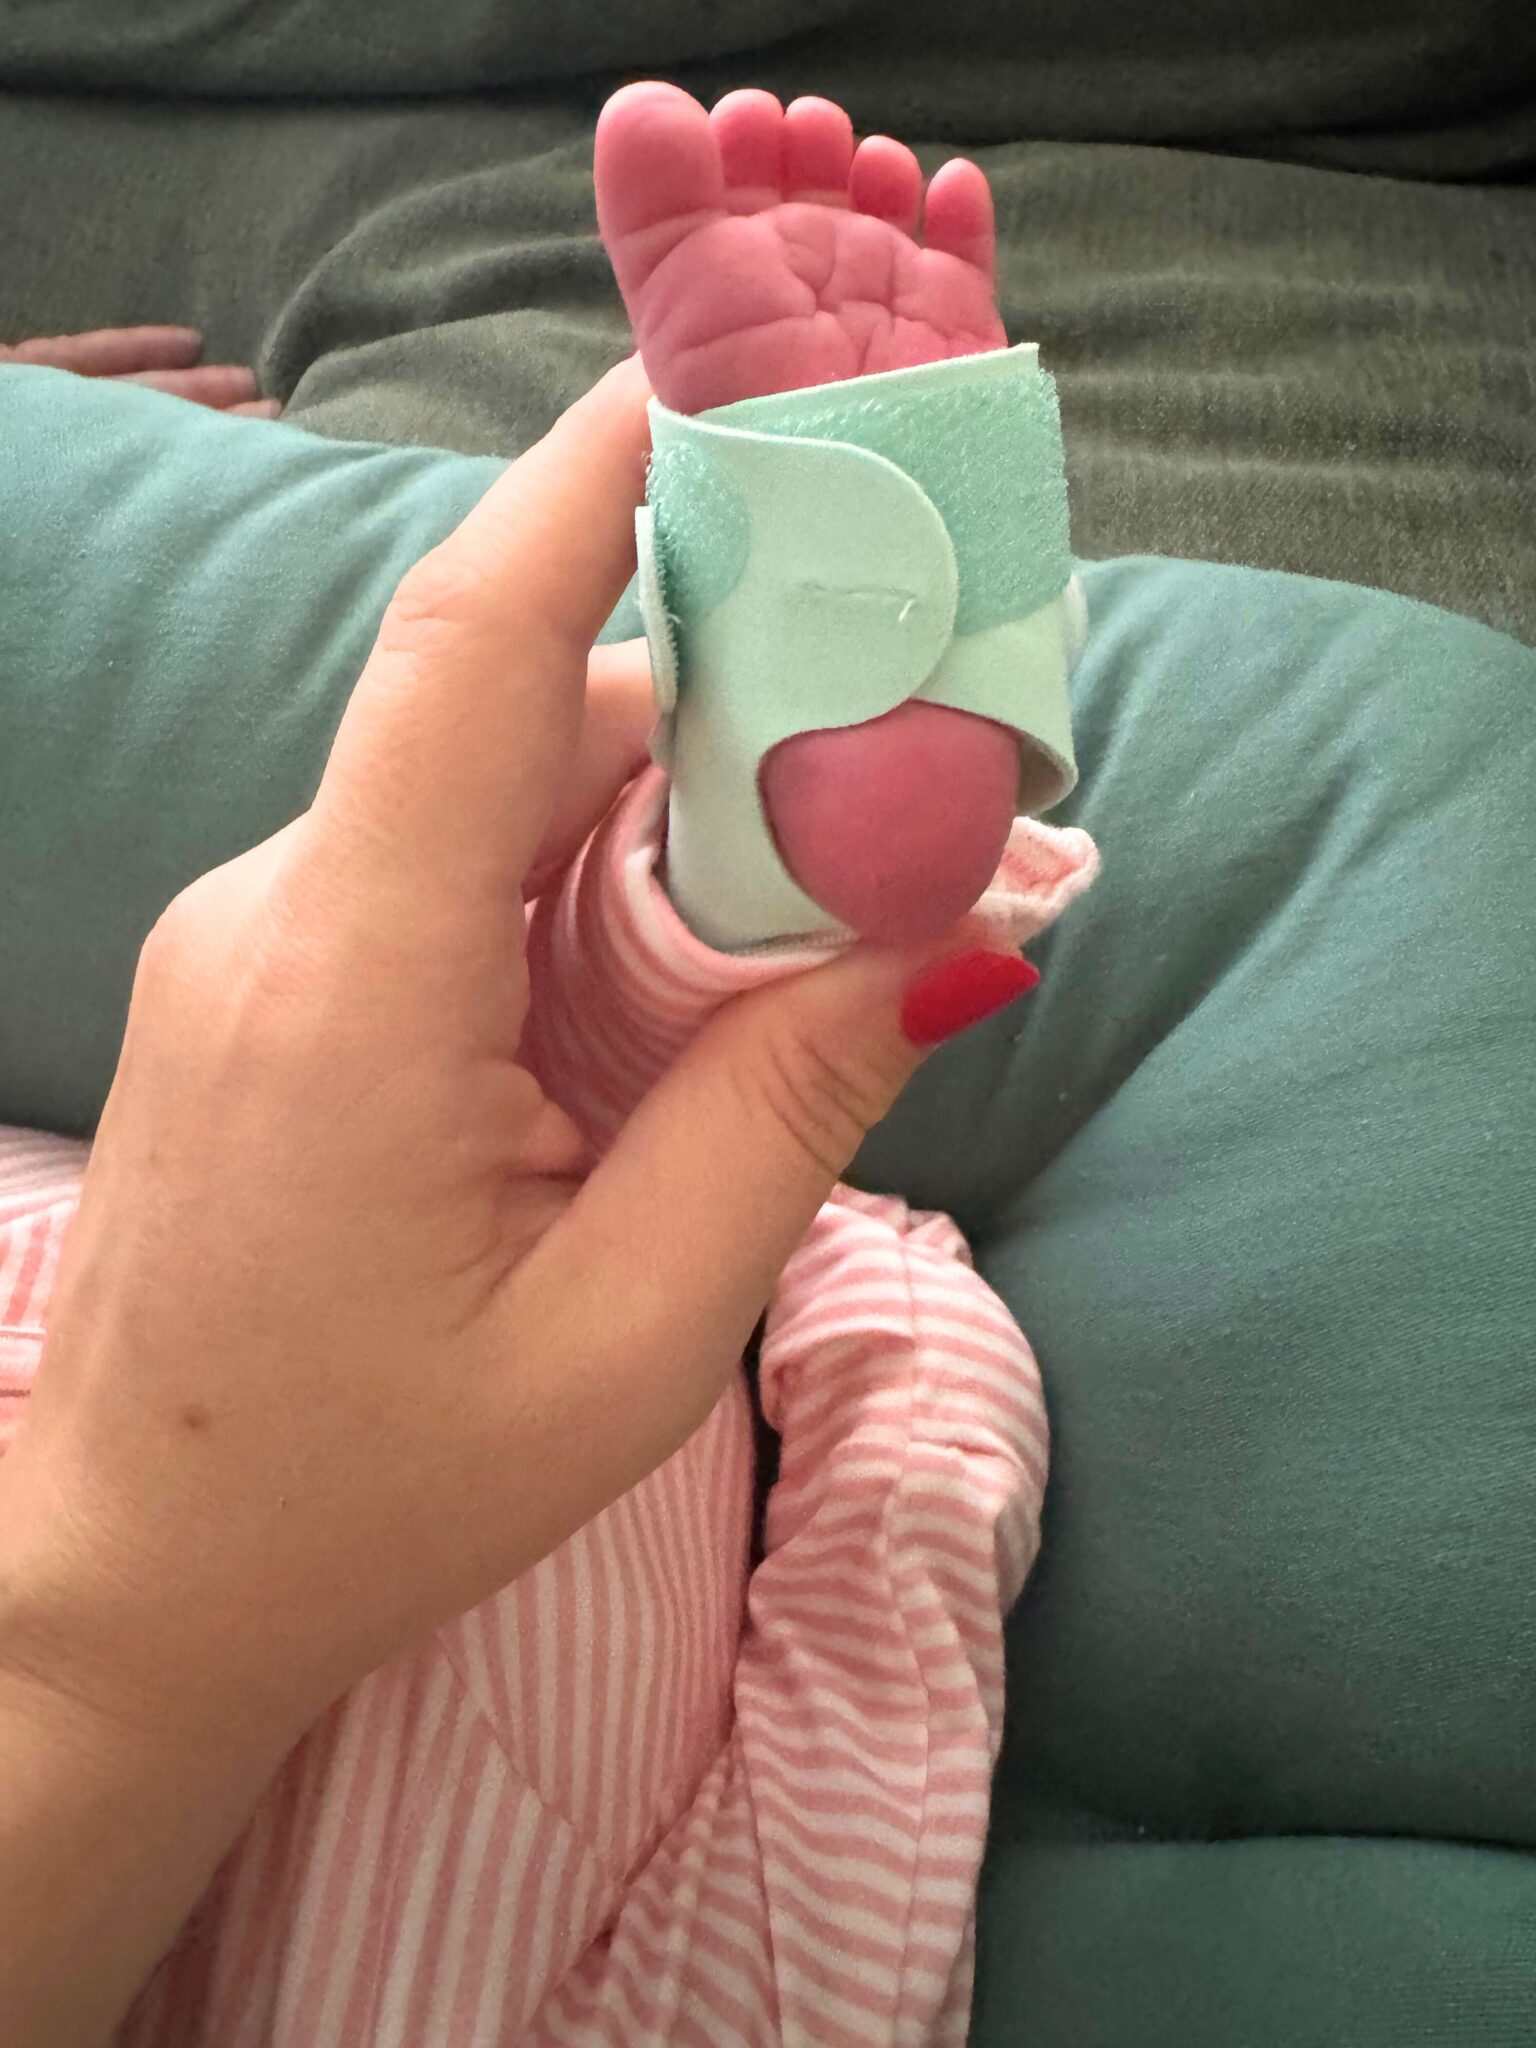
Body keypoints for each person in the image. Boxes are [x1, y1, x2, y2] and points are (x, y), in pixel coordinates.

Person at [1, 87, 1092, 2046]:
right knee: (562, 1112)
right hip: (397, 1798)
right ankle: (755, 874)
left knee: (508, 1089)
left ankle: (740, 877)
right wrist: (118, 1636)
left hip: (255, 1331)